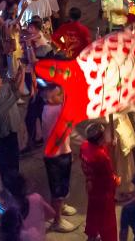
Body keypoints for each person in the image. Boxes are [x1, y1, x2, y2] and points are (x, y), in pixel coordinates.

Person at [41, 85, 78, 232]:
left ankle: (60, 208)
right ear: (50, 99)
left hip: (59, 153)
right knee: (58, 190)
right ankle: (57, 220)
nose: (62, 97)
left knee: (61, 186)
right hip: (56, 157)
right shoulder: (55, 111)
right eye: (58, 95)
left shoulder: (49, 108)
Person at [79, 123, 119, 241]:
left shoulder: (84, 146)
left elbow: (97, 150)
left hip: (91, 186)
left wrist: (110, 145)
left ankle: (92, 234)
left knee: (93, 212)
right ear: (100, 138)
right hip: (103, 192)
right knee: (107, 220)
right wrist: (117, 180)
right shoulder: (102, 157)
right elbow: (109, 178)